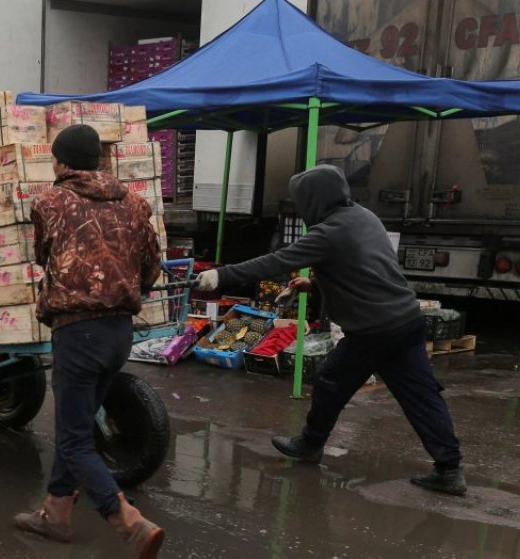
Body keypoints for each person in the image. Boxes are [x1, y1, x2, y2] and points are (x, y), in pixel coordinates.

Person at [195, 164, 466, 495]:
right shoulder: (364, 217)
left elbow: (277, 261)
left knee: (330, 383)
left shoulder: (328, 232)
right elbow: (361, 266)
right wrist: (313, 283)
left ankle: (310, 444)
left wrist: (221, 276)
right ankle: (450, 469)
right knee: (422, 396)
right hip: (406, 321)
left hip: (371, 330)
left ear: (315, 200)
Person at [13, 124, 165, 559]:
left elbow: (46, 256)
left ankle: (130, 524)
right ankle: (56, 514)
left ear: (60, 163)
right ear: (98, 160)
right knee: (76, 426)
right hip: (119, 331)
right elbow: (152, 266)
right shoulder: (136, 202)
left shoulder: (50, 202)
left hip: (78, 330)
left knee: (75, 439)